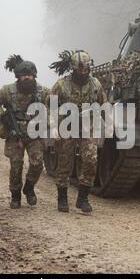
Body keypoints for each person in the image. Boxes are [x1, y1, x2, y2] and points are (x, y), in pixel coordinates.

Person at [48, 51, 107, 213]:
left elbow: (104, 104)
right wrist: (53, 126)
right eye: (80, 69)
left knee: (90, 159)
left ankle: (83, 198)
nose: (83, 72)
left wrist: (109, 123)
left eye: (86, 69)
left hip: (87, 126)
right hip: (66, 126)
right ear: (73, 68)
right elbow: (51, 106)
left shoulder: (95, 84)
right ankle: (62, 198)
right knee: (64, 162)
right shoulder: (61, 85)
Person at [0, 55, 48, 209]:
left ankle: (29, 188)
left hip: (35, 134)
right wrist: (3, 116)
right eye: (24, 75)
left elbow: (54, 104)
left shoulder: (43, 91)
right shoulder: (8, 91)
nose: (27, 78)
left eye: (29, 75)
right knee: (16, 166)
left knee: (38, 164)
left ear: (34, 75)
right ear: (18, 76)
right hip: (15, 135)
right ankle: (15, 195)